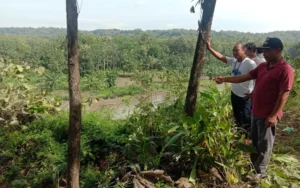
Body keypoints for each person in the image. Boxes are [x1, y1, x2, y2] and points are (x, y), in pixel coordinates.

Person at [213, 37, 294, 179]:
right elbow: (244, 77)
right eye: (264, 51)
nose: (265, 54)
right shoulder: (263, 67)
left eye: (268, 51)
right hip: (256, 111)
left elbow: (283, 94)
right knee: (254, 142)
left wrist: (274, 115)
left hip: (268, 114)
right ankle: (253, 168)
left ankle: (260, 174)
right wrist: (225, 79)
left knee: (264, 145)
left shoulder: (285, 70)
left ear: (278, 50)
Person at [206, 40, 257, 131]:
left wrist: (253, 93)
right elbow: (221, 57)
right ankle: (240, 135)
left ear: (244, 50)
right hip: (234, 94)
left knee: (246, 117)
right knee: (237, 116)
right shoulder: (234, 61)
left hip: (245, 97)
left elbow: (258, 78)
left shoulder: (250, 63)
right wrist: (209, 48)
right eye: (233, 51)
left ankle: (249, 137)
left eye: (237, 50)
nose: (234, 53)